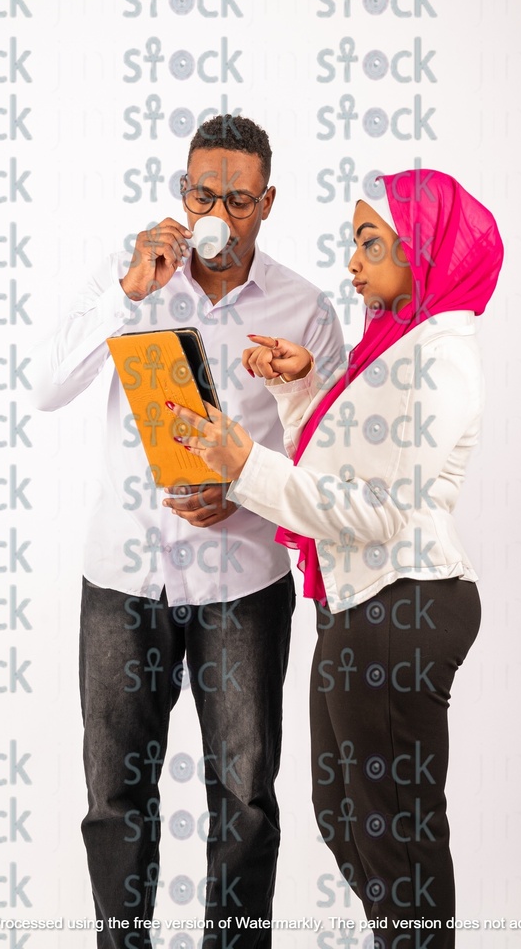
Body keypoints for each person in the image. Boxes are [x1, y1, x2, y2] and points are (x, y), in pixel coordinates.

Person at [28, 114, 344, 949]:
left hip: (242, 584)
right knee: (113, 794)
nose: (219, 214)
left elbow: (333, 465)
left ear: (266, 202)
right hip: (123, 577)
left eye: (238, 200)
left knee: (243, 797)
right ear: (183, 192)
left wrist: (244, 493)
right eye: (205, 193)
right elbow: (47, 386)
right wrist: (128, 289)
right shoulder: (133, 279)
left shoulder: (305, 310)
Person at [167, 167, 504, 946]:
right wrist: (304, 387)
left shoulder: (437, 363)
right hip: (365, 604)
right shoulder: (399, 344)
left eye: (371, 242)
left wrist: (240, 463)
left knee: (396, 838)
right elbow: (344, 470)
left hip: (405, 600)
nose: (352, 262)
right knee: (345, 815)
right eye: (355, 241)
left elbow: (376, 513)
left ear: (424, 251)